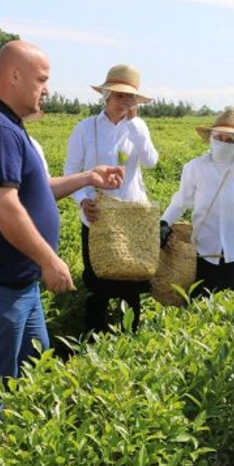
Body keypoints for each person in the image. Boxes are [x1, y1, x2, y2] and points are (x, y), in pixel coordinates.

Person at [0, 40, 125, 451]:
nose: (46, 89)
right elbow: (4, 207)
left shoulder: (6, 124)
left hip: (16, 281)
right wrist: (49, 259)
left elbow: (34, 190)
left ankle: (18, 448)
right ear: (14, 76)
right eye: (42, 79)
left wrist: (87, 178)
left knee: (34, 362)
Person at [63, 64, 159, 333]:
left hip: (132, 217)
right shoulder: (85, 129)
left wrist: (135, 124)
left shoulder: (138, 127)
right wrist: (82, 201)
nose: (123, 101)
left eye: (130, 97)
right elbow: (71, 171)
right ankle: (94, 336)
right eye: (118, 95)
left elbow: (151, 162)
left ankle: (130, 336)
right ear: (106, 96)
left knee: (133, 281)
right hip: (97, 215)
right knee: (98, 281)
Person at [160, 107, 234, 295]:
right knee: (200, 304)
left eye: (230, 140)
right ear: (210, 138)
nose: (223, 143)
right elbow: (180, 202)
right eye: (219, 137)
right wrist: (163, 223)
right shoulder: (194, 167)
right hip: (203, 254)